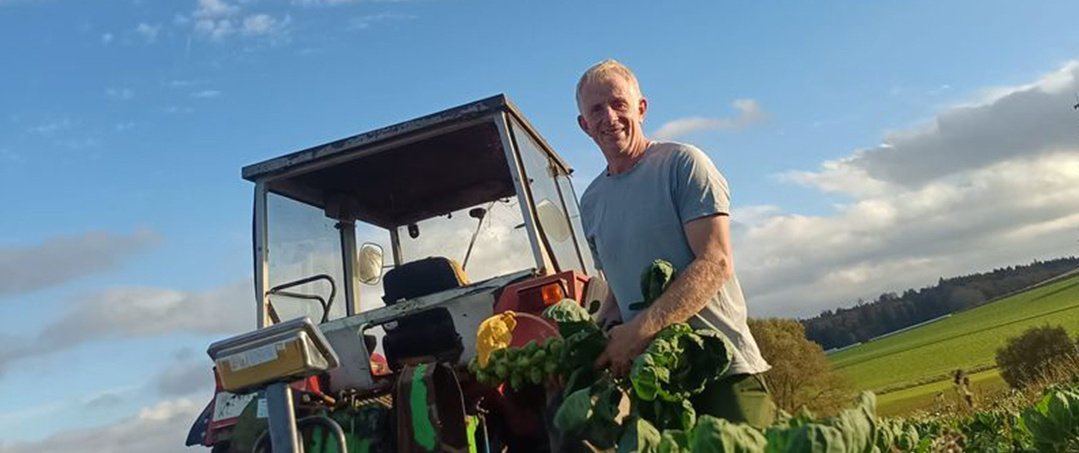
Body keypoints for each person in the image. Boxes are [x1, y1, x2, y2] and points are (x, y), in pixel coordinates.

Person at [575, 59, 775, 427]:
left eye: (619, 103)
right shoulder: (590, 202)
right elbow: (620, 287)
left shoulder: (683, 164)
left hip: (722, 369)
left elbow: (715, 263)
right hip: (656, 387)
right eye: (596, 110)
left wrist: (640, 331)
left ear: (641, 108)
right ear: (584, 125)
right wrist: (591, 342)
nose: (610, 117)